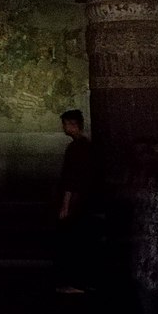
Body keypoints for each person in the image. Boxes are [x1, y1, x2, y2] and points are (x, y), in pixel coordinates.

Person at [55, 108, 96, 294]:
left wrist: (65, 204)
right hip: (86, 200)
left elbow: (71, 179)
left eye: (65, 124)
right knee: (84, 239)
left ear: (72, 124)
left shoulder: (76, 148)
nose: (63, 128)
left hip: (76, 202)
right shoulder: (87, 146)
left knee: (73, 240)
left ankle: (75, 282)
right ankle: (85, 281)